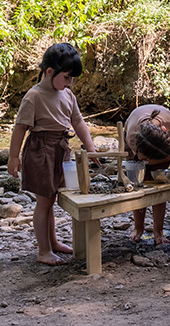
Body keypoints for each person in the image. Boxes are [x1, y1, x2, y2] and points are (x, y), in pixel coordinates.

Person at [7, 43, 98, 266]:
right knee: (44, 201)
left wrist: (91, 147)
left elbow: (77, 121)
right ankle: (43, 250)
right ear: (50, 72)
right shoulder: (34, 96)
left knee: (53, 199)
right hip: (40, 150)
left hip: (61, 149)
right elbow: (20, 128)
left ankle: (53, 243)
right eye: (67, 77)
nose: (69, 83)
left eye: (72, 79)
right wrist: (13, 157)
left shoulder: (67, 95)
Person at [124, 104, 170, 244]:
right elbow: (141, 160)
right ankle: (138, 227)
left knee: (159, 183)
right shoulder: (133, 137)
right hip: (137, 141)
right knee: (140, 184)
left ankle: (158, 231)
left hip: (158, 139)